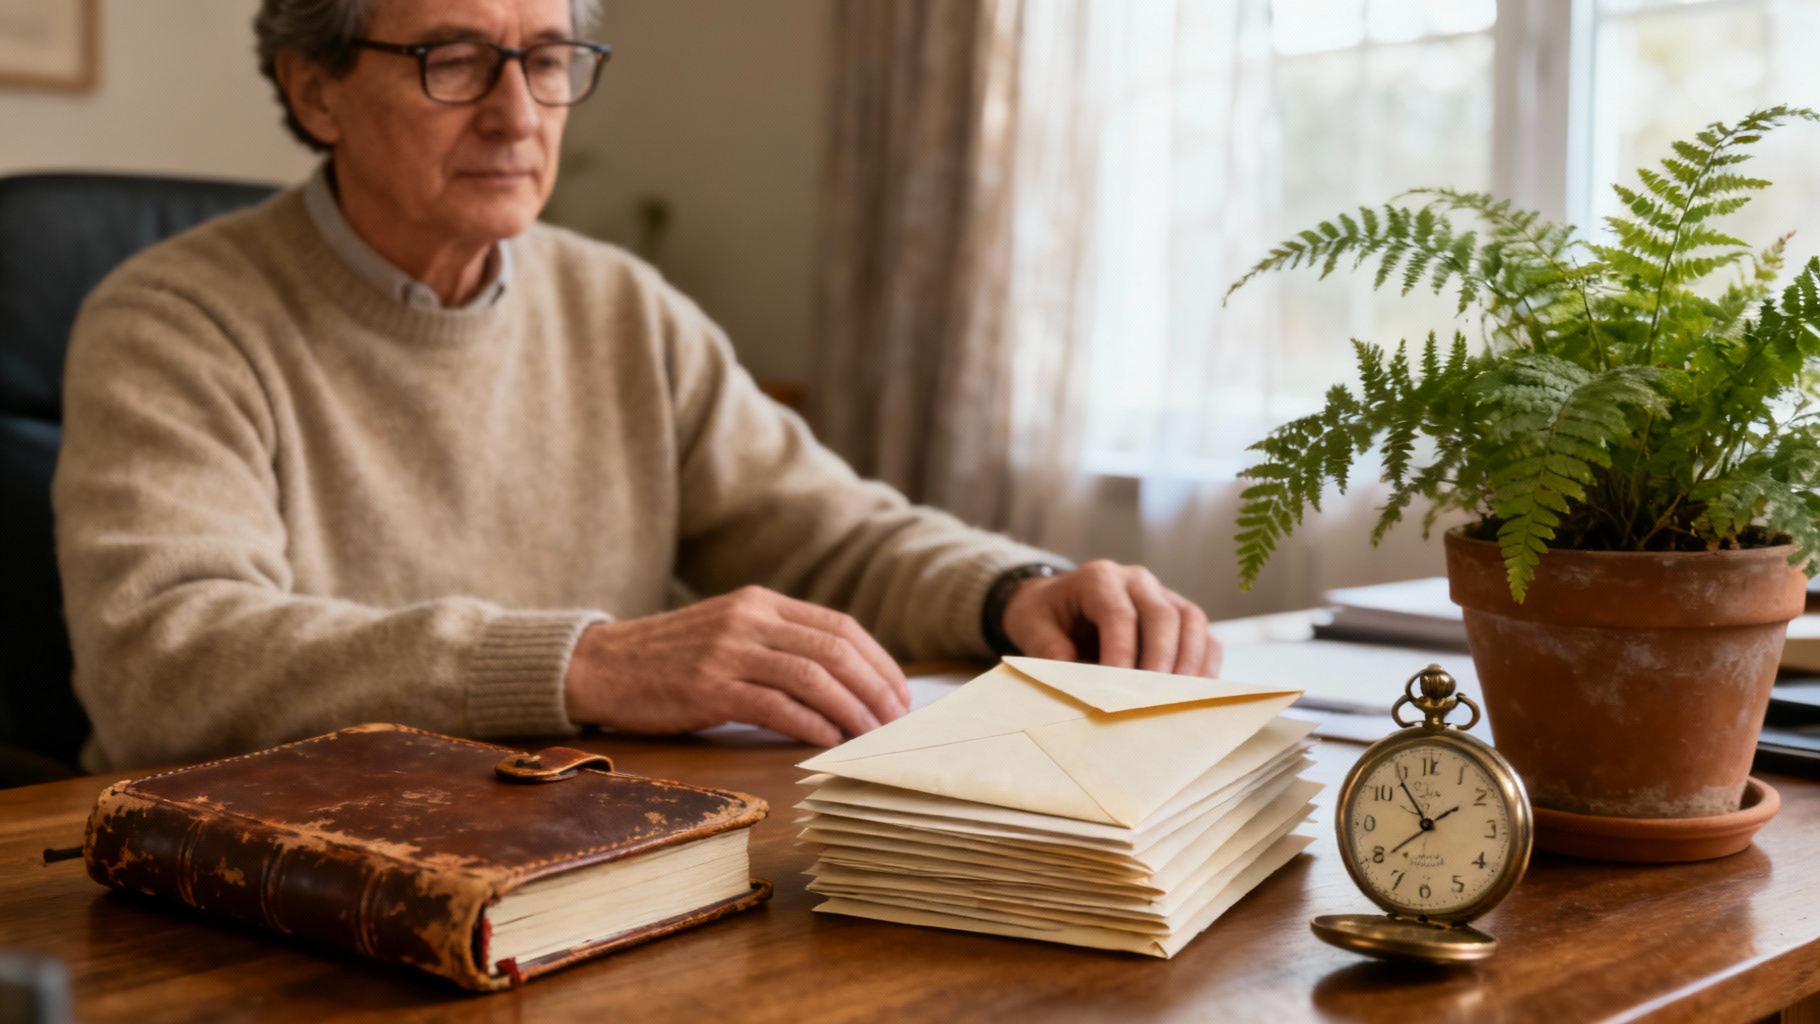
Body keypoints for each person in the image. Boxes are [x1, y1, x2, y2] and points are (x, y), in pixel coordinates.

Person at [52, 0, 1220, 772]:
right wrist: (590, 665)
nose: (517, 113)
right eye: (451, 60)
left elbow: (828, 531)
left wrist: (1012, 591)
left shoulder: (620, 303)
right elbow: (166, 660)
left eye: (547, 59)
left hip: (575, 833)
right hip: (255, 878)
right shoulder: (173, 318)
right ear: (316, 91)